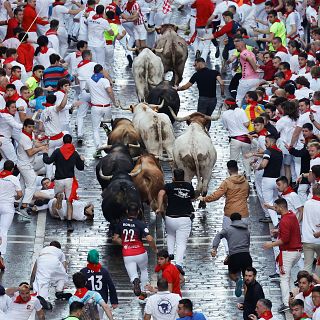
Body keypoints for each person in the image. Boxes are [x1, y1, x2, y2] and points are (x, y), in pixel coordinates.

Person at [199, 160, 249, 261]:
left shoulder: (227, 182)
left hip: (230, 213)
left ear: (228, 170)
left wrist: (204, 199)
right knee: (243, 234)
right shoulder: (245, 182)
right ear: (237, 168)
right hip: (243, 212)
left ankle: (229, 253)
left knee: (226, 233)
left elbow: (216, 195)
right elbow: (246, 195)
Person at [263, 198, 302, 313]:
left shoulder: (284, 220)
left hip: (288, 253)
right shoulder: (292, 215)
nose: (275, 210)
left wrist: (271, 244)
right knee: (288, 277)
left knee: (283, 279)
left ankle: (286, 303)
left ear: (280, 207)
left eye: (276, 208)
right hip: (297, 252)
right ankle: (293, 299)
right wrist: (278, 232)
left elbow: (284, 239)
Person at [113, 203, 157, 301]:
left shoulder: (121, 223)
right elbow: (149, 238)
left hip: (128, 253)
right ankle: (143, 293)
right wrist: (155, 249)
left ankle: (135, 281)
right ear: (138, 212)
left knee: (133, 274)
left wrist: (124, 243)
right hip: (140, 252)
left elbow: (115, 238)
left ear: (127, 212)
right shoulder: (140, 223)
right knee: (144, 270)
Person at [156, 168, 195, 274]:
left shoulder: (169, 186)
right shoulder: (189, 186)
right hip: (184, 218)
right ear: (184, 176)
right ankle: (178, 264)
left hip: (170, 217)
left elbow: (160, 194)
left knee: (170, 235)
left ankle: (170, 254)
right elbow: (192, 198)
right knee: (181, 243)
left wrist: (160, 207)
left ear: (173, 177)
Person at [43, 134, 85, 232]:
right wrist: (82, 160)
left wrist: (45, 153)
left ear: (63, 142)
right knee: (69, 202)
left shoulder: (57, 151)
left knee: (57, 194)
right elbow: (80, 168)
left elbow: (48, 161)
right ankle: (69, 224)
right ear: (71, 142)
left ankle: (59, 196)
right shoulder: (74, 153)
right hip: (69, 180)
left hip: (58, 180)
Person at [175, 58, 224, 130]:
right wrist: (222, 93)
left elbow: (186, 86)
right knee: (208, 117)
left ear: (199, 63)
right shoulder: (215, 72)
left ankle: (201, 131)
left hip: (203, 99)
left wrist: (177, 89)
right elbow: (222, 83)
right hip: (213, 100)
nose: (194, 67)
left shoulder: (196, 75)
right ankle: (207, 131)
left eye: (195, 65)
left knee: (200, 118)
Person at [212, 212, 252, 297]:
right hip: (246, 255)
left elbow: (218, 235)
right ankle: (247, 299)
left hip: (234, 255)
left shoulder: (228, 229)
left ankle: (237, 280)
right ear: (240, 219)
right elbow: (248, 243)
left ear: (231, 220)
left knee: (232, 274)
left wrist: (214, 248)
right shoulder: (246, 229)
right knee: (247, 279)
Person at [86, 64, 118, 158]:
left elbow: (87, 90)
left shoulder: (89, 80)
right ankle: (111, 143)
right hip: (106, 107)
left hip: (95, 107)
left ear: (94, 71)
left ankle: (99, 149)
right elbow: (109, 91)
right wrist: (114, 102)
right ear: (101, 71)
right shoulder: (105, 81)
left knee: (95, 129)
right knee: (109, 126)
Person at [17, 119, 48, 215]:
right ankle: (24, 206)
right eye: (29, 127)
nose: (31, 129)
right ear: (24, 127)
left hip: (25, 164)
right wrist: (40, 149)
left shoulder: (30, 135)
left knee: (22, 185)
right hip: (25, 165)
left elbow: (35, 143)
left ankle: (16, 204)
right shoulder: (24, 138)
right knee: (32, 185)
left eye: (32, 127)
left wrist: (44, 144)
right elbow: (30, 153)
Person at [30, 241, 71, 308]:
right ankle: (59, 290)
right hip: (53, 261)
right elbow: (64, 266)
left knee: (42, 280)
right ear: (59, 248)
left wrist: (31, 283)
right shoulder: (60, 251)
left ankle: (42, 297)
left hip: (41, 261)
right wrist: (62, 275)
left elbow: (34, 270)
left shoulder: (43, 251)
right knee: (63, 275)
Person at [80, 249, 118, 318]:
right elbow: (111, 286)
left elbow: (80, 287)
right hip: (101, 301)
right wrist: (114, 301)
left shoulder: (83, 272)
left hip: (88, 301)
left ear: (88, 259)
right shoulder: (104, 271)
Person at [255, 134, 283, 226]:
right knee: (275, 199)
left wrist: (257, 167)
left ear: (271, 142)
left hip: (267, 180)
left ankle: (276, 223)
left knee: (268, 203)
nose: (265, 144)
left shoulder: (268, 151)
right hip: (277, 180)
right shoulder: (280, 152)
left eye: (266, 142)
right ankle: (279, 218)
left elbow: (264, 164)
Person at [0, 160, 22, 270]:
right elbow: (19, 194)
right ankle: (1, 256)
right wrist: (15, 197)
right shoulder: (13, 179)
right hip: (7, 207)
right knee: (3, 231)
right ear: (12, 169)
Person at [220, 98, 251, 176]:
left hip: (235, 139)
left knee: (233, 160)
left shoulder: (224, 114)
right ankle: (248, 175)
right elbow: (247, 124)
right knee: (246, 158)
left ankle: (231, 176)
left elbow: (226, 127)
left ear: (229, 105)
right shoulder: (241, 111)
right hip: (246, 138)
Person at [233, 37, 260, 106]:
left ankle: (237, 113)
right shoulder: (251, 53)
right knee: (252, 99)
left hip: (246, 80)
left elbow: (249, 59)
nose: (236, 48)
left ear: (241, 46)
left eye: (237, 46)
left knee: (239, 98)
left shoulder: (243, 53)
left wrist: (255, 68)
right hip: (256, 79)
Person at [302, 184, 320, 275]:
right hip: (319, 240)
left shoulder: (307, 203)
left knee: (307, 265)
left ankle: (306, 285)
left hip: (308, 239)